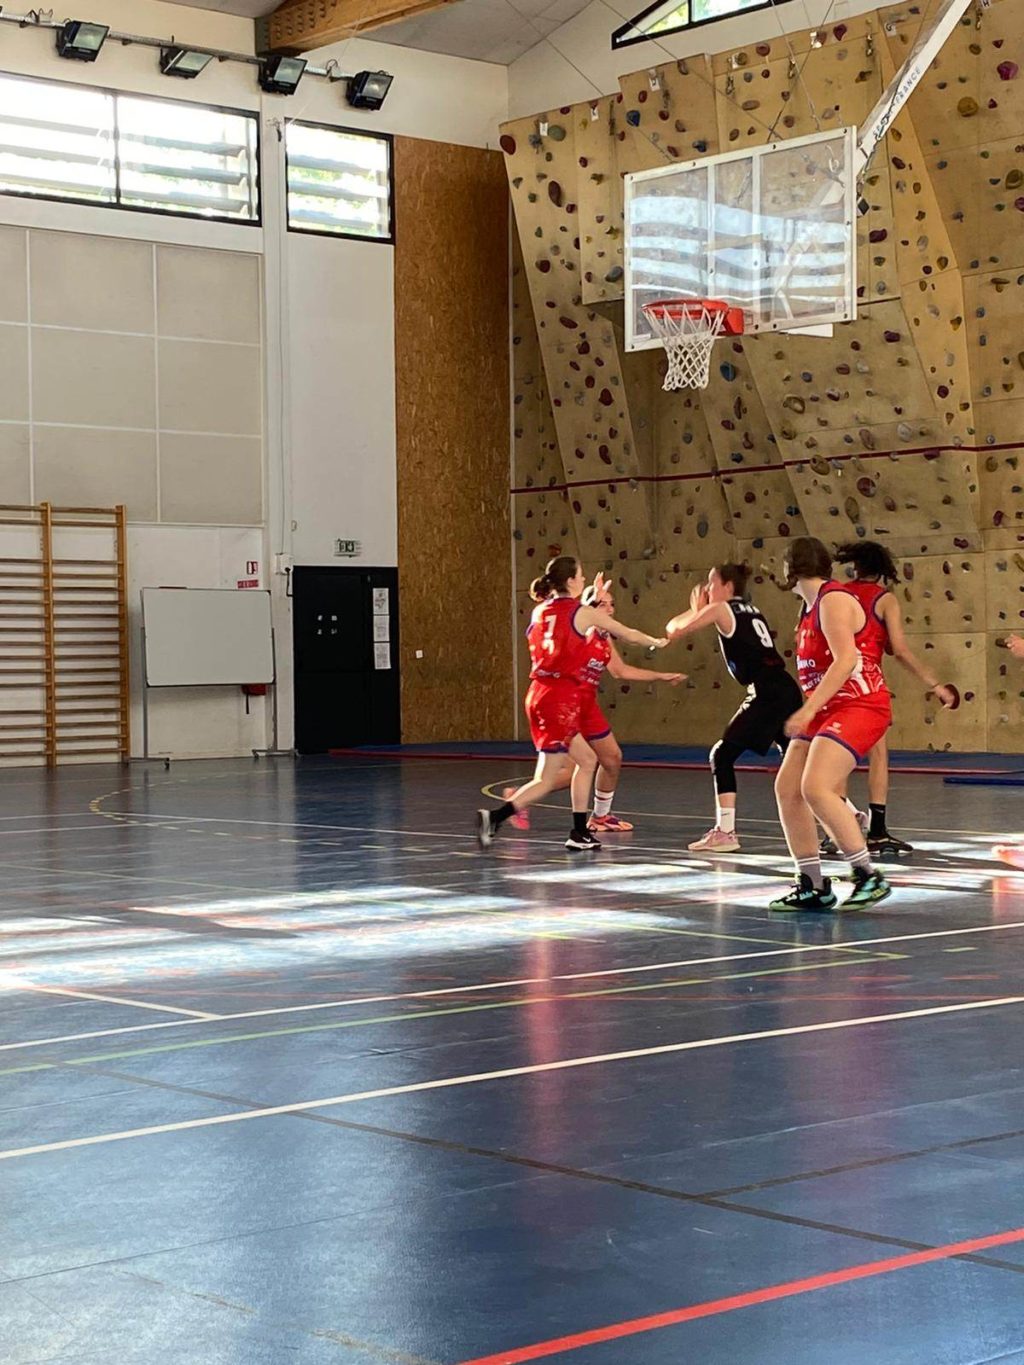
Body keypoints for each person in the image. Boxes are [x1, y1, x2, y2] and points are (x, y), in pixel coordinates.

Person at [477, 555, 668, 852]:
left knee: (586, 761)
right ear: (570, 581)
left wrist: (593, 600)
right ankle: (497, 818)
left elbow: (567, 628)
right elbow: (627, 634)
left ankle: (578, 832)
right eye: (580, 576)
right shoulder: (582, 613)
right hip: (560, 698)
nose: (583, 579)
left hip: (538, 693)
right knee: (548, 778)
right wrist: (658, 641)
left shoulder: (540, 610)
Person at [770, 536, 897, 912]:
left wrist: (808, 710)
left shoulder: (833, 600)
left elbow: (846, 661)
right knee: (788, 788)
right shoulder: (809, 608)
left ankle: (867, 875)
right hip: (830, 707)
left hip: (860, 703)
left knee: (816, 786)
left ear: (790, 568)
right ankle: (812, 884)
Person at [507, 574, 684, 834]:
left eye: (612, 604)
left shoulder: (603, 635)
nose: (610, 609)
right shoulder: (582, 627)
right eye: (604, 604)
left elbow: (620, 670)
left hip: (587, 705)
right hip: (566, 702)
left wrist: (660, 676)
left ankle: (600, 816)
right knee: (572, 769)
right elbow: (570, 620)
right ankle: (519, 802)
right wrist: (590, 602)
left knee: (611, 758)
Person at [821, 541, 959, 857]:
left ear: (855, 566)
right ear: (883, 569)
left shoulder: (836, 595)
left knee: (838, 757)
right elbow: (900, 650)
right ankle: (877, 831)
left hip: (835, 681)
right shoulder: (884, 600)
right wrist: (936, 685)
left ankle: (835, 831)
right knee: (878, 754)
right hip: (866, 682)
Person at [666, 562, 802, 854]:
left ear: (727, 587)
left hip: (766, 691)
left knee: (722, 755)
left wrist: (693, 609)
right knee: (798, 760)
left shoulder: (721, 608)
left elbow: (674, 631)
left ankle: (725, 832)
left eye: (711, 583)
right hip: (785, 688)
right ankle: (852, 816)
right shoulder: (752, 610)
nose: (707, 589)